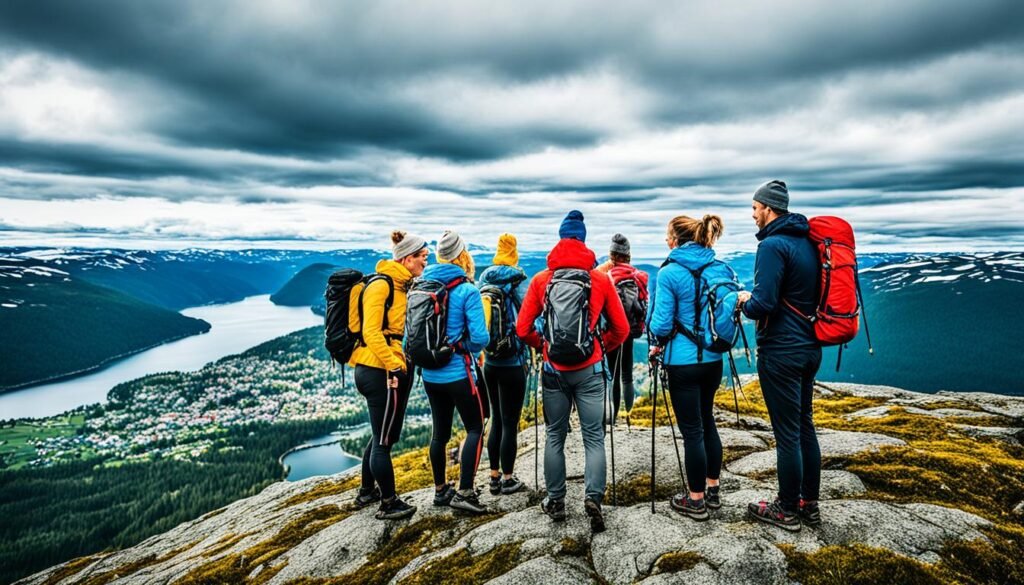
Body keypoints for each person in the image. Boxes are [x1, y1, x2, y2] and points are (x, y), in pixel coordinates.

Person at [516, 210, 630, 533]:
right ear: (582, 239)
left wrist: (544, 345)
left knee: (555, 435)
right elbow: (621, 329)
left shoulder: (542, 280)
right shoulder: (599, 279)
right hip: (590, 369)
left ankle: (556, 500)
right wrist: (598, 348)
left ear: (560, 238)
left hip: (554, 371)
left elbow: (522, 328)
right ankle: (593, 496)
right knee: (594, 437)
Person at [736, 180, 823, 532]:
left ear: (769, 209)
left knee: (786, 433)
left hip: (781, 352)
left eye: (755, 208)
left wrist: (744, 301)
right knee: (804, 425)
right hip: (809, 347)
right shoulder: (808, 243)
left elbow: (764, 304)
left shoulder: (772, 245)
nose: (753, 214)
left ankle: (786, 509)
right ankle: (809, 504)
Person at [647, 214, 737, 521]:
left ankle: (695, 500)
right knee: (707, 421)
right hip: (713, 360)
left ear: (675, 239)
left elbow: (659, 324)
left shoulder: (669, 273)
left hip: (681, 363)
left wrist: (656, 340)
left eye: (667, 235)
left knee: (692, 430)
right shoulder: (719, 268)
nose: (665, 240)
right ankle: (712, 490)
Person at [350, 230, 428, 520]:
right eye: (422, 256)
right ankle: (389, 502)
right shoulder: (381, 285)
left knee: (382, 433)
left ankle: (367, 491)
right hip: (378, 370)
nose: (425, 259)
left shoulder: (402, 285)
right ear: (407, 259)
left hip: (388, 367)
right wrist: (392, 364)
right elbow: (371, 332)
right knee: (384, 441)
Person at [420, 230, 491, 515]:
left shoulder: (420, 286)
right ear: (462, 254)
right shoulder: (466, 290)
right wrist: (464, 347)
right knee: (475, 426)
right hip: (459, 373)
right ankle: (464, 491)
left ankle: (440, 490)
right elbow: (481, 338)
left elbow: (409, 338)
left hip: (429, 374)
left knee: (440, 433)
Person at [478, 233, 530, 496]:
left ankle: (494, 477)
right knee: (510, 421)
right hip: (513, 360)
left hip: (490, 361)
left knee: (496, 418)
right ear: (514, 252)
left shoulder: (483, 279)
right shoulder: (517, 280)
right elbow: (530, 316)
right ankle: (509, 479)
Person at [596, 233, 648, 423]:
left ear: (612, 254)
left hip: (611, 332)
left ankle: (612, 417)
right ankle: (630, 414)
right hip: (631, 331)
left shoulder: (605, 275)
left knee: (612, 374)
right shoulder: (636, 275)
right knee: (627, 374)